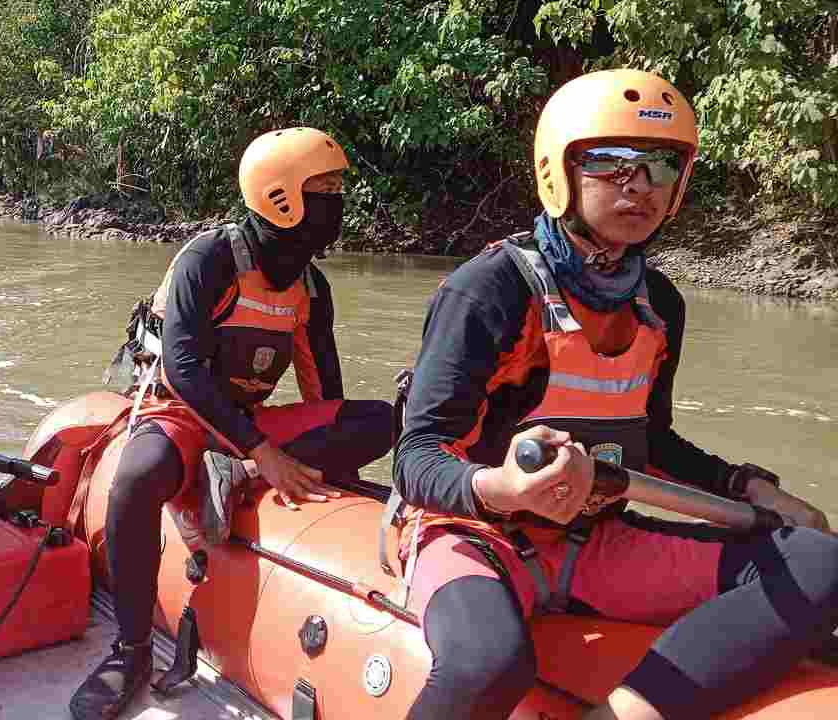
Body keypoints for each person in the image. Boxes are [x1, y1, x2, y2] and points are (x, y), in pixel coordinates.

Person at [393, 68, 838, 720]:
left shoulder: (659, 304)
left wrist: (750, 486)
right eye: (609, 163)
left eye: (660, 165)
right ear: (559, 171)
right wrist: (504, 489)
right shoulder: (488, 290)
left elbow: (651, 443)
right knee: (487, 662)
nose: (639, 186)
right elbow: (417, 459)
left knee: (819, 561)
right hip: (477, 533)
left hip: (593, 542)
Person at [70, 127, 395, 720]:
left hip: (246, 426)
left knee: (380, 421)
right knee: (137, 479)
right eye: (326, 188)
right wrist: (267, 452)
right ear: (282, 197)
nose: (339, 201)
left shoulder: (311, 288)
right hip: (183, 412)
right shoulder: (210, 259)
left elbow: (325, 389)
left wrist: (330, 462)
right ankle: (131, 649)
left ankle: (236, 473)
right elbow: (184, 370)